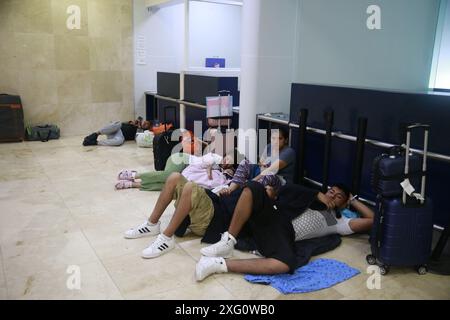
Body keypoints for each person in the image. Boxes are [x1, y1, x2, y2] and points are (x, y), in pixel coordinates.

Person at [194, 182, 374, 282]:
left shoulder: (338, 221)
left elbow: (371, 220)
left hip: (281, 234)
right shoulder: (312, 198)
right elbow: (286, 190)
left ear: (343, 204)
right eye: (331, 191)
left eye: (338, 196)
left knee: (286, 264)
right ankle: (228, 241)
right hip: (274, 215)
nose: (332, 196)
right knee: (253, 188)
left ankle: (218, 264)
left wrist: (352, 200)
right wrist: (315, 194)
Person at [219, 128, 296, 196]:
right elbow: (261, 163)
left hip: (280, 181)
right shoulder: (269, 147)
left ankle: (243, 193)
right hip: (263, 174)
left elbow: (271, 170)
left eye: (280, 138)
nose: (276, 141)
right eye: (273, 138)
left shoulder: (289, 152)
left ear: (286, 140)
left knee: (268, 174)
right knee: (246, 162)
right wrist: (262, 167)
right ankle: (230, 190)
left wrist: (252, 181)